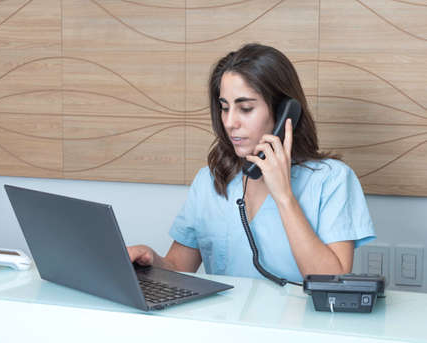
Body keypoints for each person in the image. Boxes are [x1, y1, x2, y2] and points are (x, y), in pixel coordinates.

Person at [128, 43, 375, 283]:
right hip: (224, 324)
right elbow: (179, 270)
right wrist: (152, 261)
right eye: (224, 108)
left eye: (245, 108)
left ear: (284, 112)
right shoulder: (210, 180)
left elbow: (332, 281)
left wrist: (284, 196)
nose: (230, 122)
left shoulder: (332, 179)